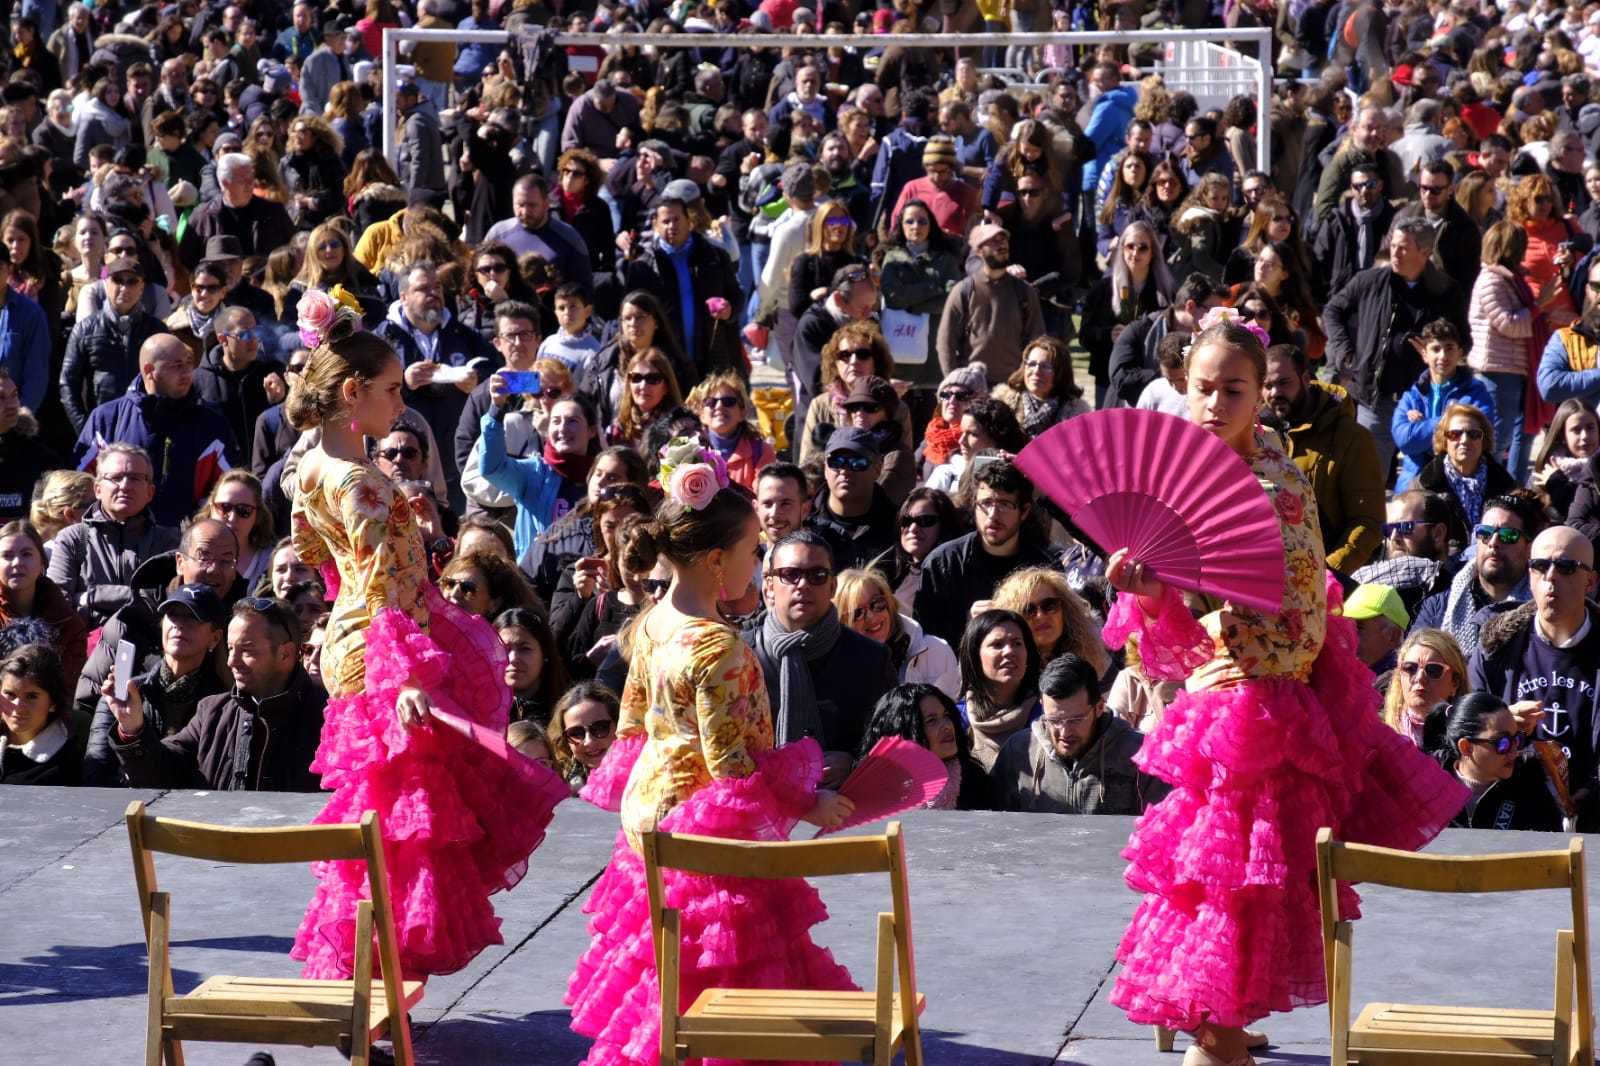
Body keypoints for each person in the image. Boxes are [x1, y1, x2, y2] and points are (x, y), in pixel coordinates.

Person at [1102, 314, 1465, 1065]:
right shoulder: (1209, 472)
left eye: (1233, 389)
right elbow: (1168, 640)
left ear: (1260, 395)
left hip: (1260, 714)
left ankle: (1221, 1036)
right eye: (1202, 388)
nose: (1213, 403)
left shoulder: (1269, 479)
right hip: (1225, 704)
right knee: (1218, 887)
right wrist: (1146, 591)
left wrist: (1171, 588)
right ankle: (1224, 1026)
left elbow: (1280, 611)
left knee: (1236, 886)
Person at [281, 294, 567, 980]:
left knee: (376, 806)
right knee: (403, 821)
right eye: (387, 390)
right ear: (353, 394)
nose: (399, 404)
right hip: (392, 653)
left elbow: (321, 563)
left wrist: (346, 622)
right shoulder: (360, 483)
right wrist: (407, 674)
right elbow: (379, 585)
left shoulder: (309, 470)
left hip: (359, 643)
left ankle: (369, 972)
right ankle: (379, 968)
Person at [564, 452, 854, 1062]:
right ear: (719, 559)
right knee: (723, 963)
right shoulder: (720, 649)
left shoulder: (648, 623)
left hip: (646, 814)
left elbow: (633, 728)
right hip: (700, 830)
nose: (760, 561)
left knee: (664, 967)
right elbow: (733, 774)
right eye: (754, 550)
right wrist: (808, 798)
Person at [104, 596, 325, 791]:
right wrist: (132, 726)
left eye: (246, 650)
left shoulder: (329, 718)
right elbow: (162, 775)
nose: (232, 661)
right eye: (230, 649)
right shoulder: (212, 712)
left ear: (285, 654)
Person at [1470, 525, 1600, 830]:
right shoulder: (1495, 647)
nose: (1550, 577)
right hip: (1511, 812)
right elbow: (1465, 743)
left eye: (1566, 567)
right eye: (1540, 566)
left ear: (1591, 582)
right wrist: (1498, 727)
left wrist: (1593, 789)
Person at [1323, 216, 1471, 481]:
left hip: (1426, 403)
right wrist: (1344, 350)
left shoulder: (1447, 291)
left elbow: (1464, 341)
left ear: (1424, 253)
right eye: (1393, 245)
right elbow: (1333, 311)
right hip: (1376, 400)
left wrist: (1438, 351)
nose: (1395, 252)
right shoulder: (1369, 281)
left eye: (1403, 248)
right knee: (1366, 482)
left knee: (1428, 487)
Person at [747, 528, 897, 787]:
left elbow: (897, 743)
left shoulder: (872, 659)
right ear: (770, 585)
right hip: (760, 810)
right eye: (790, 574)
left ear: (832, 586)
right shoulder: (742, 654)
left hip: (847, 812)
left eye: (816, 575)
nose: (803, 585)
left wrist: (855, 763)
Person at [71, 333, 240, 527]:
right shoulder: (106, 419)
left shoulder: (213, 425)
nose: (188, 371)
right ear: (149, 370)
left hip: (184, 546)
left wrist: (197, 530)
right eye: (177, 365)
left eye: (189, 362)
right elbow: (80, 489)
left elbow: (232, 490)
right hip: (115, 545)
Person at [1261, 343, 1385, 573]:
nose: (1275, 393)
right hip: (1267, 576)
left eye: (1284, 383)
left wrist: (1326, 576)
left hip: (1329, 579)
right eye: (1267, 385)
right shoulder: (1255, 435)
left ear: (1307, 378)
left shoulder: (1352, 437)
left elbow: (1368, 523)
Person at [991, 653, 1167, 815]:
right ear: (1042, 706)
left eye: (1076, 719)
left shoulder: (1141, 754)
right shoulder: (1018, 752)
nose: (1065, 732)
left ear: (1099, 707)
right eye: (1054, 720)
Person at [916, 458, 1058, 647]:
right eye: (986, 503)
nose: (993, 515)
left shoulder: (1044, 566)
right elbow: (926, 640)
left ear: (1023, 512)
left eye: (1004, 505)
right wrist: (970, 624)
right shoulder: (943, 563)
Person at [47, 443, 180, 628]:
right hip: (86, 648)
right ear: (98, 490)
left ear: (150, 492)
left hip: (150, 650)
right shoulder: (73, 539)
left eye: (135, 478)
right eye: (116, 478)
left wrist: (92, 596)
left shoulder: (168, 540)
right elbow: (56, 602)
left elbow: (168, 599)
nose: (125, 486)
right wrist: (137, 597)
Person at [619, 196, 741, 384]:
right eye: (665, 221)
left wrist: (729, 309)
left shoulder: (714, 256)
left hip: (711, 355)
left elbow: (737, 295)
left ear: (689, 221)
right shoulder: (643, 266)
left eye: (677, 220)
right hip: (664, 360)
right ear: (655, 225)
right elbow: (628, 312)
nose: (671, 226)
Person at [1468, 220, 1551, 482]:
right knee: (1499, 436)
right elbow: (1509, 323)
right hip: (1498, 368)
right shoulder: (1491, 281)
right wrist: (1539, 305)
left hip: (1518, 365)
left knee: (1524, 431)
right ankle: (1487, 488)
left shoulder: (1512, 279)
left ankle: (1513, 489)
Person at [1413, 491, 1541, 657]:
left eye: (1508, 535)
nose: (1493, 543)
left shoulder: (1544, 612)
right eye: (1485, 533)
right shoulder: (1438, 608)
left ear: (1530, 547)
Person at [58, 254, 171, 434]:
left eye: (132, 282)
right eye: (118, 280)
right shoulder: (85, 329)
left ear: (142, 288)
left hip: (147, 428)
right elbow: (68, 384)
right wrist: (85, 429)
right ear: (106, 284)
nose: (124, 288)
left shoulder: (157, 330)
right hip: (102, 428)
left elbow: (169, 380)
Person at [1425, 691, 1565, 832]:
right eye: (1502, 743)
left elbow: (1552, 847)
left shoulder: (1529, 782)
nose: (1514, 752)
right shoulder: (1428, 782)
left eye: (1517, 739)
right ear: (1466, 747)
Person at [1392, 320, 1498, 488]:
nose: (1443, 356)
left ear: (1459, 353)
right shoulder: (1412, 396)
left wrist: (1423, 426)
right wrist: (1450, 422)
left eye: (1449, 348)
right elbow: (1405, 440)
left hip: (1458, 483)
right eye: (1436, 349)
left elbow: (1477, 436)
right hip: (1413, 482)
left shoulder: (1477, 393)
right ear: (1425, 355)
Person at [937, 223, 1045, 385]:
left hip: (1013, 384)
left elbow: (1038, 340)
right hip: (972, 384)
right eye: (994, 241)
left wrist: (1027, 380)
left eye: (1004, 240)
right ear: (979, 251)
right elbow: (945, 342)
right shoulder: (964, 290)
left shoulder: (1024, 291)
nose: (1002, 245)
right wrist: (955, 382)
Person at [855, 682, 991, 810]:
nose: (947, 726)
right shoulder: (870, 791)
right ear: (904, 734)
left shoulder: (973, 782)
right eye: (932, 720)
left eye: (946, 715)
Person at [834, 567, 960, 698]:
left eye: (876, 603)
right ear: (842, 622)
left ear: (889, 603)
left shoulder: (937, 651)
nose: (871, 617)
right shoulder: (837, 669)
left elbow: (953, 713)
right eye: (857, 613)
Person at [0, 520, 86, 692]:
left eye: (26, 554)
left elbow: (68, 690)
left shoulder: (68, 622)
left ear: (42, 563)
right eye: (7, 555)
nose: (17, 563)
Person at [957, 607, 1042, 772]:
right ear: (975, 656)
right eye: (997, 645)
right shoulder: (956, 721)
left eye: (1017, 643)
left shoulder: (1048, 715)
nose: (1009, 651)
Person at [1409, 402, 1515, 533]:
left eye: (1474, 434)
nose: (1464, 440)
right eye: (1455, 434)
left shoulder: (1506, 486)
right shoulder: (1422, 487)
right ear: (1444, 440)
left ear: (1484, 440)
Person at [177, 152, 294, 269]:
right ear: (225, 183)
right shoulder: (203, 217)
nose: (250, 185)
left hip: (264, 283)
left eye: (251, 178)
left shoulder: (273, 212)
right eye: (242, 180)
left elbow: (292, 249)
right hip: (219, 285)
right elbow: (187, 261)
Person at [807, 426, 899, 574]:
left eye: (858, 462)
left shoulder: (899, 527)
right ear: (825, 469)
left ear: (878, 469)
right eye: (836, 462)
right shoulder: (804, 523)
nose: (845, 471)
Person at [991, 567, 1109, 676]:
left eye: (1049, 605)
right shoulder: (1005, 671)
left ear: (1065, 610)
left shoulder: (1096, 658)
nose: (1041, 616)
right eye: (1028, 610)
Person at [0, 644, 78, 785]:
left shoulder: (62, 767)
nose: (18, 707)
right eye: (10, 694)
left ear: (53, 702)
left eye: (31, 696)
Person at [1380, 627, 1468, 747]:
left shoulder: (1470, 741)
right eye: (1410, 668)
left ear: (1455, 682)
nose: (1420, 677)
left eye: (1433, 670)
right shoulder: (1377, 732)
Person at [991, 336, 1091, 439]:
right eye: (1031, 364)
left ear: (1060, 372)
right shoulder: (1003, 403)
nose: (1036, 371)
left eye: (1046, 366)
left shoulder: (1075, 412)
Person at [690, 373, 775, 493]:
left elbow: (764, 496)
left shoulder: (762, 451)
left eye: (728, 401)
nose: (719, 406)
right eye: (711, 402)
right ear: (702, 415)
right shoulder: (690, 450)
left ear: (742, 413)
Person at [495, 607, 570, 729]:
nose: (513, 658)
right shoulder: (479, 711)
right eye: (504, 649)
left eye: (524, 649)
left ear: (545, 653)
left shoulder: (568, 712)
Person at [546, 680, 618, 792]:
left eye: (599, 728)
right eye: (576, 733)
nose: (589, 741)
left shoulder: (646, 776)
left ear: (619, 725)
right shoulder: (559, 788)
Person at [1530, 399, 1599, 516]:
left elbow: (1586, 517)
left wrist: (1558, 484)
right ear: (1562, 436)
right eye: (1576, 430)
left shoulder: (1554, 478)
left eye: (1590, 428)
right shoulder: (1546, 469)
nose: (1585, 436)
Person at [1344, 582, 1409, 673]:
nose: (1345, 637)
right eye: (1344, 627)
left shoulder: (1395, 683)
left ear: (1393, 637)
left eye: (1358, 628)